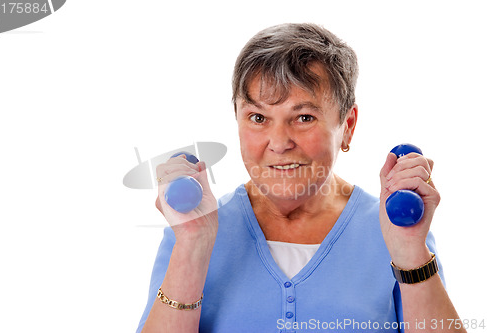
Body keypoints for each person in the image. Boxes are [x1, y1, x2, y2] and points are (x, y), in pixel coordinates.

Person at [136, 23, 465, 332]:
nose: (279, 143)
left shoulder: (394, 229)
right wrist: (192, 248)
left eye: (304, 117)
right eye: (258, 117)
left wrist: (410, 255)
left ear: (347, 126)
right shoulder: (191, 230)